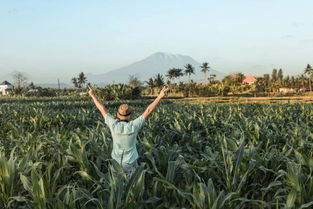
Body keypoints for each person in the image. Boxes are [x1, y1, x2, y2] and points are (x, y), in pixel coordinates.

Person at [88, 85, 169, 176]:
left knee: (117, 188)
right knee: (131, 187)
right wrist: (160, 96)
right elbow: (148, 110)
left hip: (116, 163)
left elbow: (102, 108)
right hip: (131, 163)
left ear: (118, 114)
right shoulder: (134, 125)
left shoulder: (113, 124)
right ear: (130, 115)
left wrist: (92, 95)